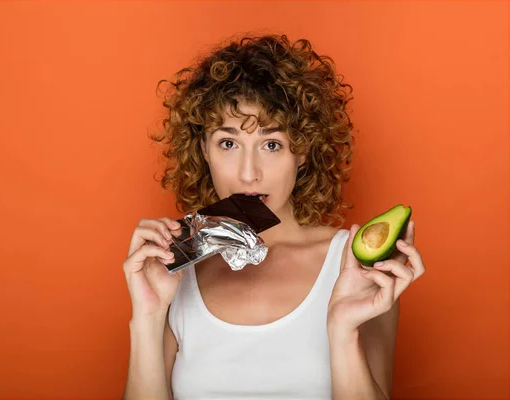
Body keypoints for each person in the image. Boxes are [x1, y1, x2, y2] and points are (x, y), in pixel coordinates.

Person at [122, 34, 425, 400]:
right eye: (228, 143)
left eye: (271, 144)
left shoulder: (356, 267)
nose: (249, 174)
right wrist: (148, 316)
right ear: (204, 149)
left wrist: (342, 331)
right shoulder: (174, 270)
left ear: (302, 151)